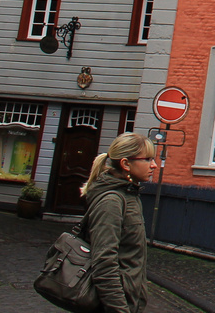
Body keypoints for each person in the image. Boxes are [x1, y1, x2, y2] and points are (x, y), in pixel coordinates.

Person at [82, 131, 157, 313]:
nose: (154, 165)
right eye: (147, 159)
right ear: (125, 164)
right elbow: (104, 263)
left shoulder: (129, 195)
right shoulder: (112, 201)